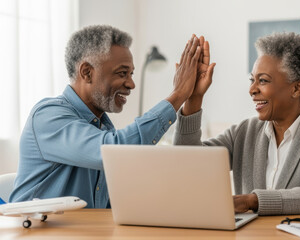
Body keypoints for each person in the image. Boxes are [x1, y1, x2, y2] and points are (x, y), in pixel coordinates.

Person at [10, 25, 205, 208]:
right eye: (122, 73)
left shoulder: (102, 128)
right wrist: (178, 94)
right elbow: (115, 152)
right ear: (87, 72)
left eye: (131, 74)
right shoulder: (47, 116)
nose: (131, 84)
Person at [174, 32, 300, 215]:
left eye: (263, 81)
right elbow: (187, 165)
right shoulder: (243, 132)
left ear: (297, 88)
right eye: (252, 80)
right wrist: (193, 98)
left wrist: (251, 201)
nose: (252, 89)